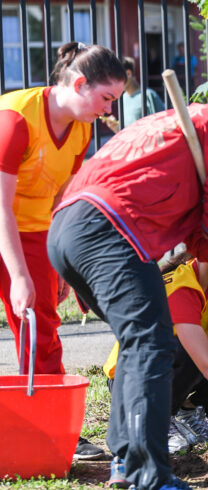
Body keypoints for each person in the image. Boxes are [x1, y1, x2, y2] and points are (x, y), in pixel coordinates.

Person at [47, 83, 208, 490]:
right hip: (108, 231)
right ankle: (149, 476)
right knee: (151, 344)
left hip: (69, 228)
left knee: (143, 340)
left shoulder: (180, 125)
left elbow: (201, 236)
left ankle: (124, 459)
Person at [0, 41, 126, 461]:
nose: (109, 110)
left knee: (40, 327)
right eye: (106, 98)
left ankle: (45, 426)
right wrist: (18, 275)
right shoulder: (16, 118)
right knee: (26, 301)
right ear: (78, 82)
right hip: (3, 221)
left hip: (33, 230)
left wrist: (60, 267)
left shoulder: (81, 128)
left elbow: (63, 200)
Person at [101, 253, 208, 487]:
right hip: (131, 382)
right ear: (205, 248)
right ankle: (161, 421)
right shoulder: (182, 287)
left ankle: (189, 413)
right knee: (192, 353)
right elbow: (207, 365)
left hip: (174, 364)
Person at [101, 56, 166, 132]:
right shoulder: (123, 98)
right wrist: (116, 127)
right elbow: (127, 134)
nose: (114, 83)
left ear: (128, 74)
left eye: (116, 78)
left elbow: (163, 125)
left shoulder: (149, 95)